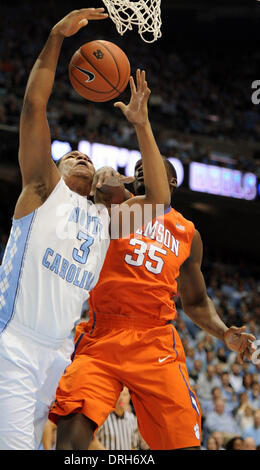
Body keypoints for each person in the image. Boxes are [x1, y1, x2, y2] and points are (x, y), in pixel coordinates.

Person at [0, 9, 170, 451]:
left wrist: (142, 125)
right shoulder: (42, 189)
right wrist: (56, 35)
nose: (80, 156)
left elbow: (160, 201)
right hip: (11, 342)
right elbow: (34, 106)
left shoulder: (107, 221)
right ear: (54, 167)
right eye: (70, 154)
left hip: (57, 356)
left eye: (87, 157)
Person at [49, 157, 255, 450]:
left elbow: (195, 301)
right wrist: (105, 179)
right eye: (137, 170)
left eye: (154, 167)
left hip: (154, 339)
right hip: (103, 333)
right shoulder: (121, 208)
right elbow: (102, 185)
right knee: (70, 445)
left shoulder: (187, 233)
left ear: (171, 181)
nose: (142, 167)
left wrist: (223, 332)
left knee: (185, 444)